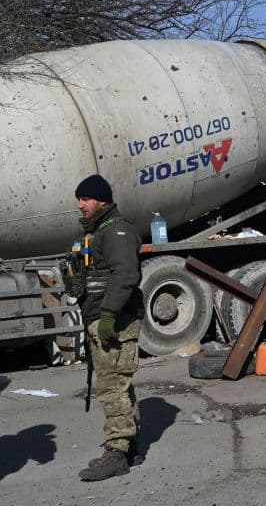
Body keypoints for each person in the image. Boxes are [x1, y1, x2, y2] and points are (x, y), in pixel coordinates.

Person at [71, 174, 144, 481]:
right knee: (119, 384)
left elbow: (125, 274)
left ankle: (117, 452)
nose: (80, 205)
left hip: (113, 322)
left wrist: (109, 316)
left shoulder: (117, 231)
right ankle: (129, 446)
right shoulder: (97, 232)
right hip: (100, 319)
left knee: (111, 386)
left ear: (101, 199)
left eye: (85, 199)